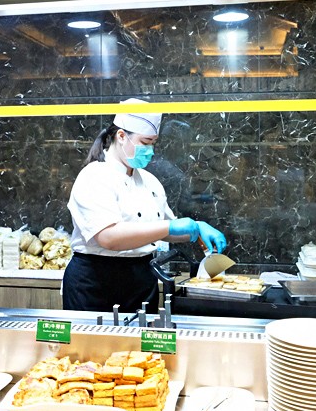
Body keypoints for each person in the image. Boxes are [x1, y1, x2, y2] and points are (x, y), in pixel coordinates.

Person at [63, 99, 227, 312]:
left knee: (141, 345)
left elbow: (163, 230)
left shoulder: (150, 181)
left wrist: (195, 229)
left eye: (153, 143)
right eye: (145, 142)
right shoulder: (93, 176)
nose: (150, 150)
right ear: (121, 136)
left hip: (142, 278)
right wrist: (171, 227)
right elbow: (108, 237)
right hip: (95, 282)